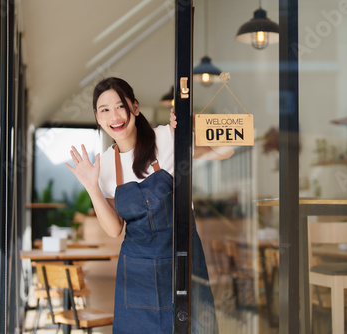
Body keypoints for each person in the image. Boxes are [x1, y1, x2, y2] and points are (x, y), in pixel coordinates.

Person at [66, 77, 233, 333]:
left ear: (134, 107)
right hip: (136, 274)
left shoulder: (165, 138)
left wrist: (191, 130)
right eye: (105, 110)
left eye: (120, 106)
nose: (114, 116)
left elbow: (226, 150)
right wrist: (92, 187)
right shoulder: (106, 164)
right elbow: (114, 230)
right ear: (98, 118)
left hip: (181, 263)